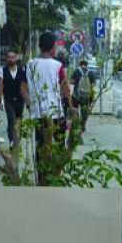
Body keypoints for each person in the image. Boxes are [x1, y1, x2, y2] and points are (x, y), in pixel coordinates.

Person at [22, 32, 73, 185]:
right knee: (58, 147)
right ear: (53, 48)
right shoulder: (58, 66)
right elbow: (65, 89)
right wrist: (70, 106)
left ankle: (41, 180)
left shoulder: (30, 65)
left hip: (38, 115)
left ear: (39, 46)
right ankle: (55, 178)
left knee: (40, 147)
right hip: (56, 113)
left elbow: (23, 87)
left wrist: (30, 103)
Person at [0, 51, 26, 144]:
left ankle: (18, 139)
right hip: (8, 99)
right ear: (6, 58)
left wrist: (27, 98)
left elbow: (24, 85)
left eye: (13, 57)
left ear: (16, 58)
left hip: (20, 100)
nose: (11, 59)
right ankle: (11, 141)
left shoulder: (22, 70)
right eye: (9, 57)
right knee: (11, 120)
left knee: (19, 120)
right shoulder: (2, 70)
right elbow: (0, 85)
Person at [72, 59, 97, 132]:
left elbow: (72, 82)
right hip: (86, 96)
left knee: (75, 110)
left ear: (79, 64)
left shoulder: (76, 71)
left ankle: (76, 126)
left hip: (76, 95)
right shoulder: (90, 73)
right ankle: (83, 126)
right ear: (87, 65)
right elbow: (93, 84)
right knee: (84, 111)